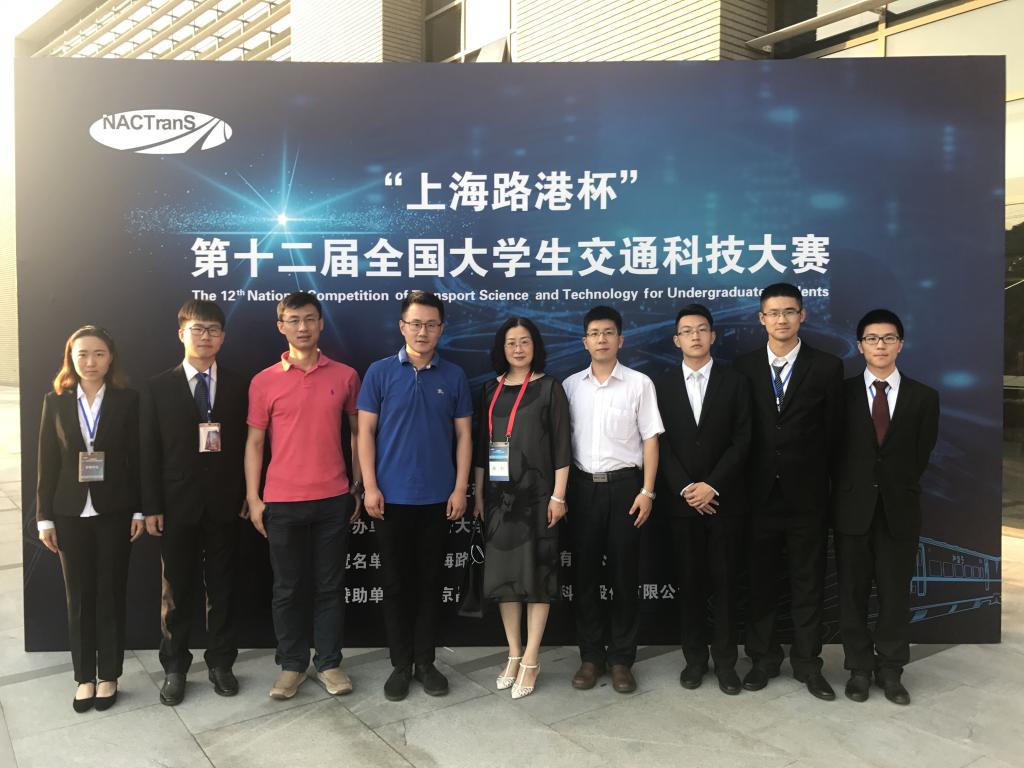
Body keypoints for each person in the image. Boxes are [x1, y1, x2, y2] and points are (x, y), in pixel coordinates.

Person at [245, 292, 362, 700]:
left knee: (330, 586)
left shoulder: (345, 375)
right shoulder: (263, 381)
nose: (303, 327)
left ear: (321, 323)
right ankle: (292, 665)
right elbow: (254, 443)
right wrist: (254, 498)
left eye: (310, 319)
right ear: (281, 326)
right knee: (287, 588)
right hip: (281, 500)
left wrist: (358, 485)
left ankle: (329, 662)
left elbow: (357, 434)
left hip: (333, 497)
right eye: (294, 320)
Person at [357, 290, 473, 702]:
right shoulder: (379, 372)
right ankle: (400, 664)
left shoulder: (454, 376)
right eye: (416, 323)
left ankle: (425, 662)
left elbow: (464, 436)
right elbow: (365, 432)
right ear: (402, 326)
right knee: (394, 584)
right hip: (389, 500)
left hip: (438, 500)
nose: (423, 332)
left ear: (441, 329)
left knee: (430, 583)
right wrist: (370, 486)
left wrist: (459, 488)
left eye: (431, 324)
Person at [734, 283, 844, 701]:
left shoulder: (827, 367)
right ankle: (762, 659)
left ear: (802, 315)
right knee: (760, 583)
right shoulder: (743, 367)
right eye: (774, 313)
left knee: (808, 583)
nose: (781, 319)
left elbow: (833, 435)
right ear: (761, 318)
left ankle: (808, 664)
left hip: (807, 497)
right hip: (757, 496)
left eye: (789, 312)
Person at [141, 300, 248, 706]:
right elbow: (148, 451)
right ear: (181, 334)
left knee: (223, 587)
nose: (206, 337)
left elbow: (250, 445)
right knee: (176, 590)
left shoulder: (240, 384)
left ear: (223, 337)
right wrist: (152, 506)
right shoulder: (157, 387)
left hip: (226, 503)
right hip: (175, 505)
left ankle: (221, 662)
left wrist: (246, 493)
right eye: (197, 329)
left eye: (213, 330)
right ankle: (175, 667)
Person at [35, 325, 144, 712]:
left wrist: (138, 509)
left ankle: (109, 674)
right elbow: (47, 461)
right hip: (69, 512)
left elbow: (137, 460)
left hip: (115, 510)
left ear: (110, 358)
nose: (91, 361)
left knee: (111, 592)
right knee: (78, 596)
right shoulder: (56, 401)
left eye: (99, 353)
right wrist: (44, 518)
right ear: (71, 358)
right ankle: (84, 676)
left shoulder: (128, 400)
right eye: (82, 354)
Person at [834, 309, 939, 705]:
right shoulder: (840, 394)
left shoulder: (924, 397)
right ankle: (859, 669)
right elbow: (831, 452)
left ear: (900, 345)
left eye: (888, 338)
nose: (880, 345)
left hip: (899, 510)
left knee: (895, 595)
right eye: (872, 338)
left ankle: (891, 670)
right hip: (852, 509)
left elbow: (921, 454)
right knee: (853, 594)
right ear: (860, 346)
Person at [563, 305, 663, 694]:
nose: (601, 339)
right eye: (594, 333)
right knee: (585, 576)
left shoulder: (639, 383)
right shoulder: (570, 386)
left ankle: (621, 659)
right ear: (584, 341)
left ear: (620, 339)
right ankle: (590, 657)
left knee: (624, 576)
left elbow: (651, 439)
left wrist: (647, 491)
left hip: (626, 489)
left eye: (608, 333)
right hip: (582, 488)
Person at [472, 318, 571, 699]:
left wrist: (559, 496)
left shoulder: (549, 388)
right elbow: (482, 448)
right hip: (500, 501)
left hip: (539, 498)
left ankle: (532, 658)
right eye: (511, 342)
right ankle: (513, 652)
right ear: (502, 348)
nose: (518, 349)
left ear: (535, 346)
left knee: (537, 576)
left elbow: (562, 446)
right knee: (506, 580)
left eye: (525, 341)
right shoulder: (490, 390)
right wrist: (479, 495)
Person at [655, 304, 751, 695]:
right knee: (690, 584)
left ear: (713, 336)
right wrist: (685, 488)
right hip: (681, 505)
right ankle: (694, 660)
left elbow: (744, 439)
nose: (695, 336)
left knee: (726, 586)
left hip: (725, 502)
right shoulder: (660, 385)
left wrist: (712, 485)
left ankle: (726, 663)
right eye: (687, 331)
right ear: (676, 340)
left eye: (701, 329)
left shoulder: (736, 381)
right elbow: (658, 442)